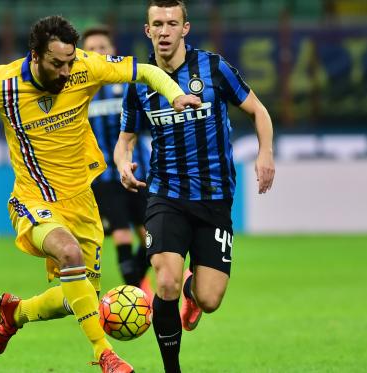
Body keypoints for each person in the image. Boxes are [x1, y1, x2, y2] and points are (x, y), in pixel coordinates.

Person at [0, 15, 200, 373]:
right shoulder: (2, 83)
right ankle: (103, 353)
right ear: (35, 56)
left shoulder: (85, 66)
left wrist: (175, 95)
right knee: (69, 252)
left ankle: (17, 313)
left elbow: (148, 72)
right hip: (33, 200)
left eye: (69, 62)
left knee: (79, 298)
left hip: (82, 201)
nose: (66, 71)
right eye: (56, 63)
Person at [114, 1, 275, 372]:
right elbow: (125, 140)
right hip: (165, 195)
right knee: (165, 281)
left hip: (215, 198)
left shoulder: (214, 69)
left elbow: (259, 112)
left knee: (210, 297)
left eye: (173, 23)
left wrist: (265, 154)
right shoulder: (141, 83)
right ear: (147, 31)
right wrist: (123, 163)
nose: (165, 30)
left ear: (185, 28)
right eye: (158, 23)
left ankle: (192, 295)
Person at [82, 27, 153, 300]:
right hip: (104, 179)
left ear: (112, 51)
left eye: (102, 47)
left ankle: (137, 294)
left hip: (139, 172)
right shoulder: (79, 93)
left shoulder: (130, 85)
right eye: (90, 49)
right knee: (122, 236)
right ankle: (139, 299)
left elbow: (147, 125)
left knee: (150, 235)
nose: (97, 53)